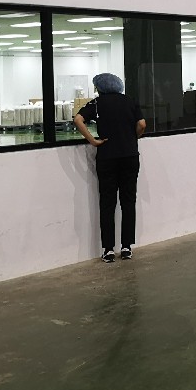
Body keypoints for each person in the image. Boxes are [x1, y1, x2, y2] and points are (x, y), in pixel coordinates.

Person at [74, 73, 146, 263]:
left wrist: (93, 141)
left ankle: (108, 250)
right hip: (130, 156)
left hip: (107, 157)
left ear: (99, 87)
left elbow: (78, 120)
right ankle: (126, 247)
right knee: (128, 201)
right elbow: (142, 124)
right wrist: (132, 138)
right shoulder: (129, 101)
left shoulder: (97, 103)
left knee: (107, 202)